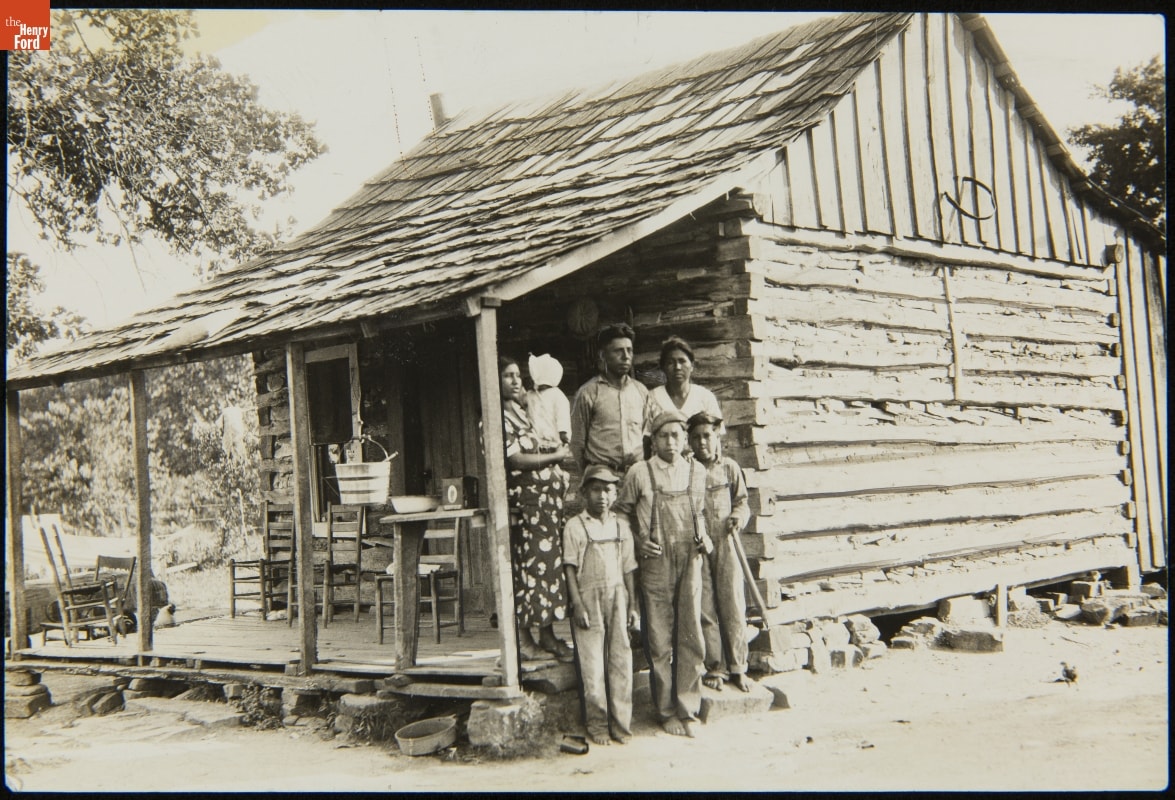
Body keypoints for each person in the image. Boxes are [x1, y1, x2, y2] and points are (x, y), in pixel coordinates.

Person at [615, 409, 712, 738]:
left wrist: (704, 537)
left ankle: (688, 708)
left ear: (685, 439)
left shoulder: (696, 471)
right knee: (658, 640)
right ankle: (666, 711)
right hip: (655, 563)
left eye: (676, 435)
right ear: (652, 441)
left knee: (690, 635)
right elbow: (621, 515)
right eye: (663, 436)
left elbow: (700, 512)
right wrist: (639, 541)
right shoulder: (640, 473)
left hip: (690, 561)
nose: (670, 442)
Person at [500, 356, 575, 663]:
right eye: (507, 376)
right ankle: (524, 639)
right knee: (528, 570)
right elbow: (515, 459)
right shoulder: (497, 420)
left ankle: (547, 635)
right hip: (527, 506)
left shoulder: (523, 413)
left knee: (547, 569)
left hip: (546, 505)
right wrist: (554, 457)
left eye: (518, 375)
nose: (516, 381)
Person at [563, 464, 640, 746]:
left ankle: (621, 725)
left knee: (621, 660)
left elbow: (629, 567)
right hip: (588, 597)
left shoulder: (622, 526)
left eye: (607, 490)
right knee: (593, 664)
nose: (602, 496)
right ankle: (597, 724)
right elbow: (570, 568)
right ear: (584, 494)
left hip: (618, 594)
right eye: (595, 490)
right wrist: (577, 604)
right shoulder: (575, 526)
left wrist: (632, 605)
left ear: (616, 493)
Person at [687, 411, 754, 693]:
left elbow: (742, 501)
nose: (702, 442)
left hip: (726, 542)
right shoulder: (687, 470)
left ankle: (739, 667)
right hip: (699, 546)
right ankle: (716, 667)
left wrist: (739, 516)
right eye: (696, 437)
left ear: (717, 436)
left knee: (733, 603)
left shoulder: (729, 468)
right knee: (706, 606)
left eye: (707, 435)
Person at [570, 323, 648, 472]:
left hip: (635, 474)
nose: (626, 356)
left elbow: (646, 437)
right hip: (602, 478)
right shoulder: (588, 393)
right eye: (618, 351)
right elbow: (578, 443)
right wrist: (591, 477)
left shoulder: (641, 391)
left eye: (629, 350)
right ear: (603, 355)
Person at [643, 336, 723, 457]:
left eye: (682, 361)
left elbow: (716, 439)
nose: (677, 367)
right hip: (663, 467)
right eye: (670, 362)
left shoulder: (705, 397)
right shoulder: (652, 398)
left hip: (698, 467)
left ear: (692, 365)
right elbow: (646, 439)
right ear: (663, 368)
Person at [526, 353, 571, 451]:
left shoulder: (557, 395)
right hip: (535, 438)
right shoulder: (530, 394)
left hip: (553, 437)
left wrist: (563, 432)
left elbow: (562, 415)